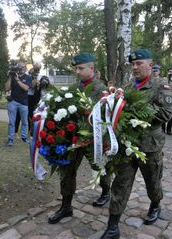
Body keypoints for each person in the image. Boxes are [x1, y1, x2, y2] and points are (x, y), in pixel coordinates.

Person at [101, 49, 172, 239]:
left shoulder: (162, 85)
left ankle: (155, 204)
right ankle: (113, 226)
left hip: (149, 146)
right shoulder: (128, 85)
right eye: (132, 64)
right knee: (120, 183)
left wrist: (135, 109)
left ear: (150, 64)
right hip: (127, 145)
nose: (135, 67)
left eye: (139, 63)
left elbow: (165, 114)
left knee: (152, 181)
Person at [48, 53, 109, 224]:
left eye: (81, 68)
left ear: (92, 68)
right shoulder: (74, 87)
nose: (78, 71)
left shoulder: (101, 89)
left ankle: (106, 190)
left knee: (99, 168)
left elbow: (104, 117)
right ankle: (66, 207)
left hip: (93, 139)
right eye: (76, 68)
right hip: (73, 138)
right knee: (66, 171)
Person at [5, 62, 32, 146]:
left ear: (25, 68)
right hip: (13, 101)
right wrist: (10, 77)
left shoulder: (28, 77)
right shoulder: (13, 77)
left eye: (23, 67)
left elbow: (26, 88)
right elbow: (6, 88)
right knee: (11, 122)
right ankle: (10, 139)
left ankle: (24, 137)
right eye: (19, 67)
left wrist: (17, 79)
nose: (21, 69)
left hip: (23, 103)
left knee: (24, 122)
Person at [162, 68, 172, 135]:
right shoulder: (164, 79)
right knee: (163, 114)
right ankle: (162, 129)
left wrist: (171, 80)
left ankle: (169, 130)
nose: (171, 73)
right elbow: (162, 86)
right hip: (164, 98)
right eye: (170, 72)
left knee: (171, 115)